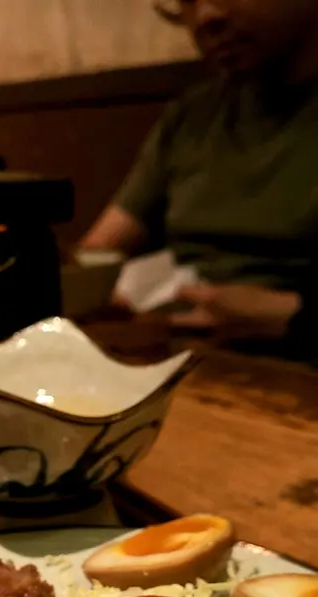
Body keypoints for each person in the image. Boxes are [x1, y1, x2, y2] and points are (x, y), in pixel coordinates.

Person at [80, 0, 318, 358]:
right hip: (171, 352)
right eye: (187, 1)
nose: (206, 16)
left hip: (289, 365)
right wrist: (88, 292)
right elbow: (98, 251)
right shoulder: (193, 116)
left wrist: (289, 318)